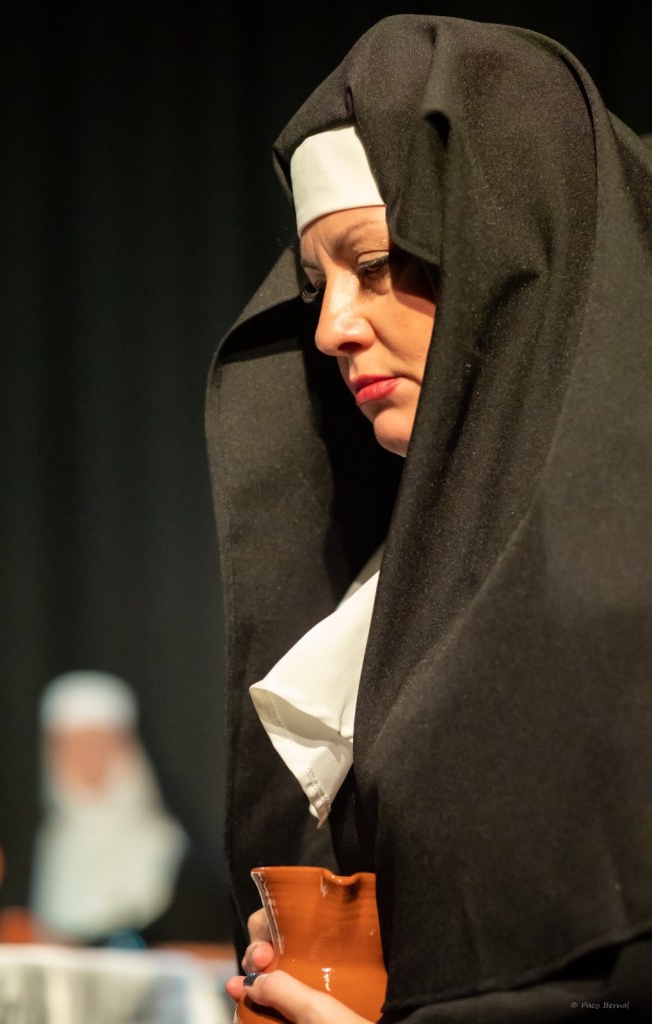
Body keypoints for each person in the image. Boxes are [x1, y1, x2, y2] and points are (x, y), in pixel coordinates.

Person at [206, 15, 652, 1024]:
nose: (331, 327)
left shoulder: (624, 575)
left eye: (375, 263)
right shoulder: (399, 588)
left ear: (512, 250)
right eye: (317, 286)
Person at [29, 670, 187, 945]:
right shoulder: (40, 840)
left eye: (98, 745)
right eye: (73, 747)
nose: (87, 760)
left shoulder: (166, 845)